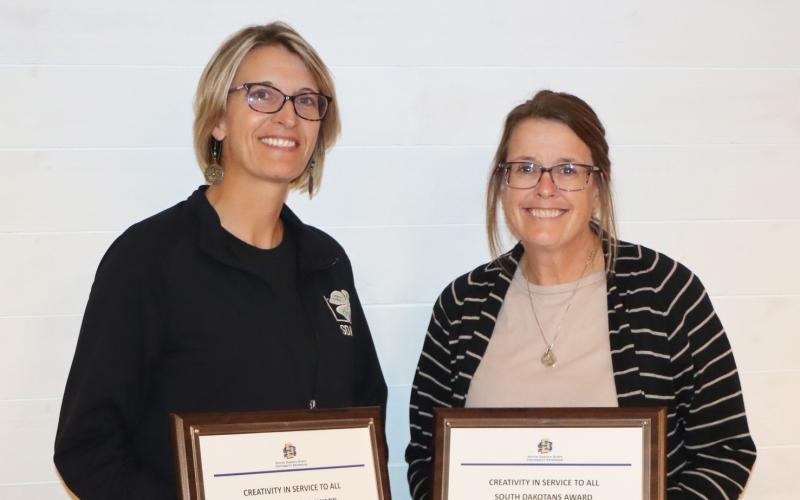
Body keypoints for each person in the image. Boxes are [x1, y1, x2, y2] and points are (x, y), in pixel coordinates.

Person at [54, 22, 387, 499]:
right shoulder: (148, 259)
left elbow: (365, 408)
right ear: (218, 120)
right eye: (261, 95)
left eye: (306, 101)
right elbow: (87, 448)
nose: (287, 117)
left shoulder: (328, 262)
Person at [405, 90, 756, 499]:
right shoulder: (461, 306)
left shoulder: (667, 292)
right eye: (526, 168)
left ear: (598, 184)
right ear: (503, 184)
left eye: (568, 170)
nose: (545, 188)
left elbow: (725, 452)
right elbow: (427, 459)